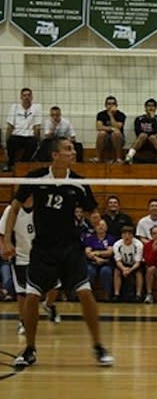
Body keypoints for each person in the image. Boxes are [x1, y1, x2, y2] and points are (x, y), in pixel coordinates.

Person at [2, 137, 114, 367]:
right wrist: (6, 241)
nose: (73, 152)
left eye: (73, 148)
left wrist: (97, 223)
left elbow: (91, 211)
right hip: (42, 249)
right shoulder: (35, 178)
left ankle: (98, 346)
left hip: (71, 248)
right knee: (32, 297)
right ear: (55, 155)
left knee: (85, 294)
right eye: (68, 149)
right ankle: (30, 349)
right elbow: (14, 209)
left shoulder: (78, 183)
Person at [0, 196, 61, 334]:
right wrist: (4, 247)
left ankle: (48, 305)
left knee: (56, 285)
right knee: (23, 293)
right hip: (21, 256)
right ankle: (23, 321)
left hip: (44, 255)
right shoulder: (12, 210)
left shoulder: (45, 208)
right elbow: (1, 233)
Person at [124, 98, 157, 165]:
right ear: (145, 108)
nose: (151, 108)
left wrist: (152, 119)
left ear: (155, 108)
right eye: (149, 106)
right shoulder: (139, 119)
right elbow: (138, 131)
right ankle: (129, 156)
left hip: (154, 141)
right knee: (143, 135)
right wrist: (149, 133)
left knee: (152, 137)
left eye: (153, 106)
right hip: (142, 140)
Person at [4, 87, 42, 172]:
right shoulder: (14, 107)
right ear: (21, 97)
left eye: (29, 95)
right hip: (16, 135)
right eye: (24, 95)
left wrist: (37, 139)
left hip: (29, 136)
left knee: (33, 143)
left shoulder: (37, 107)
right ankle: (10, 164)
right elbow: (10, 125)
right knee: (11, 141)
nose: (26, 97)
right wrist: (6, 141)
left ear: (32, 97)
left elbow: (37, 126)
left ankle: (22, 164)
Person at [84, 219, 116, 301]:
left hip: (106, 262)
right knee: (89, 271)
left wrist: (96, 252)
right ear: (95, 227)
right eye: (98, 225)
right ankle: (89, 295)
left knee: (105, 271)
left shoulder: (110, 238)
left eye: (103, 225)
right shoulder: (90, 238)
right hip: (92, 262)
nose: (100, 227)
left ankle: (107, 294)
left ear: (106, 227)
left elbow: (109, 252)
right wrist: (96, 258)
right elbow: (88, 252)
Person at [112, 226, 144, 302]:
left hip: (134, 264)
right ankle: (117, 294)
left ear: (133, 236)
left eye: (129, 234)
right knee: (117, 271)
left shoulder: (138, 245)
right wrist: (123, 268)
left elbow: (138, 262)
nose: (127, 236)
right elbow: (118, 261)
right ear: (121, 235)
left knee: (139, 273)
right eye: (125, 234)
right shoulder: (117, 245)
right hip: (123, 264)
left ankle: (138, 295)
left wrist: (130, 270)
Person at [95, 95, 126, 163]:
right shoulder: (101, 114)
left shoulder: (121, 115)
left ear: (116, 105)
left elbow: (118, 127)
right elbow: (99, 127)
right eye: (109, 104)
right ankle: (98, 157)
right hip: (105, 138)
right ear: (105, 105)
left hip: (118, 138)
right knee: (101, 133)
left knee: (116, 133)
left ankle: (118, 158)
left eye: (113, 104)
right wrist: (112, 128)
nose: (111, 106)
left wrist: (111, 115)